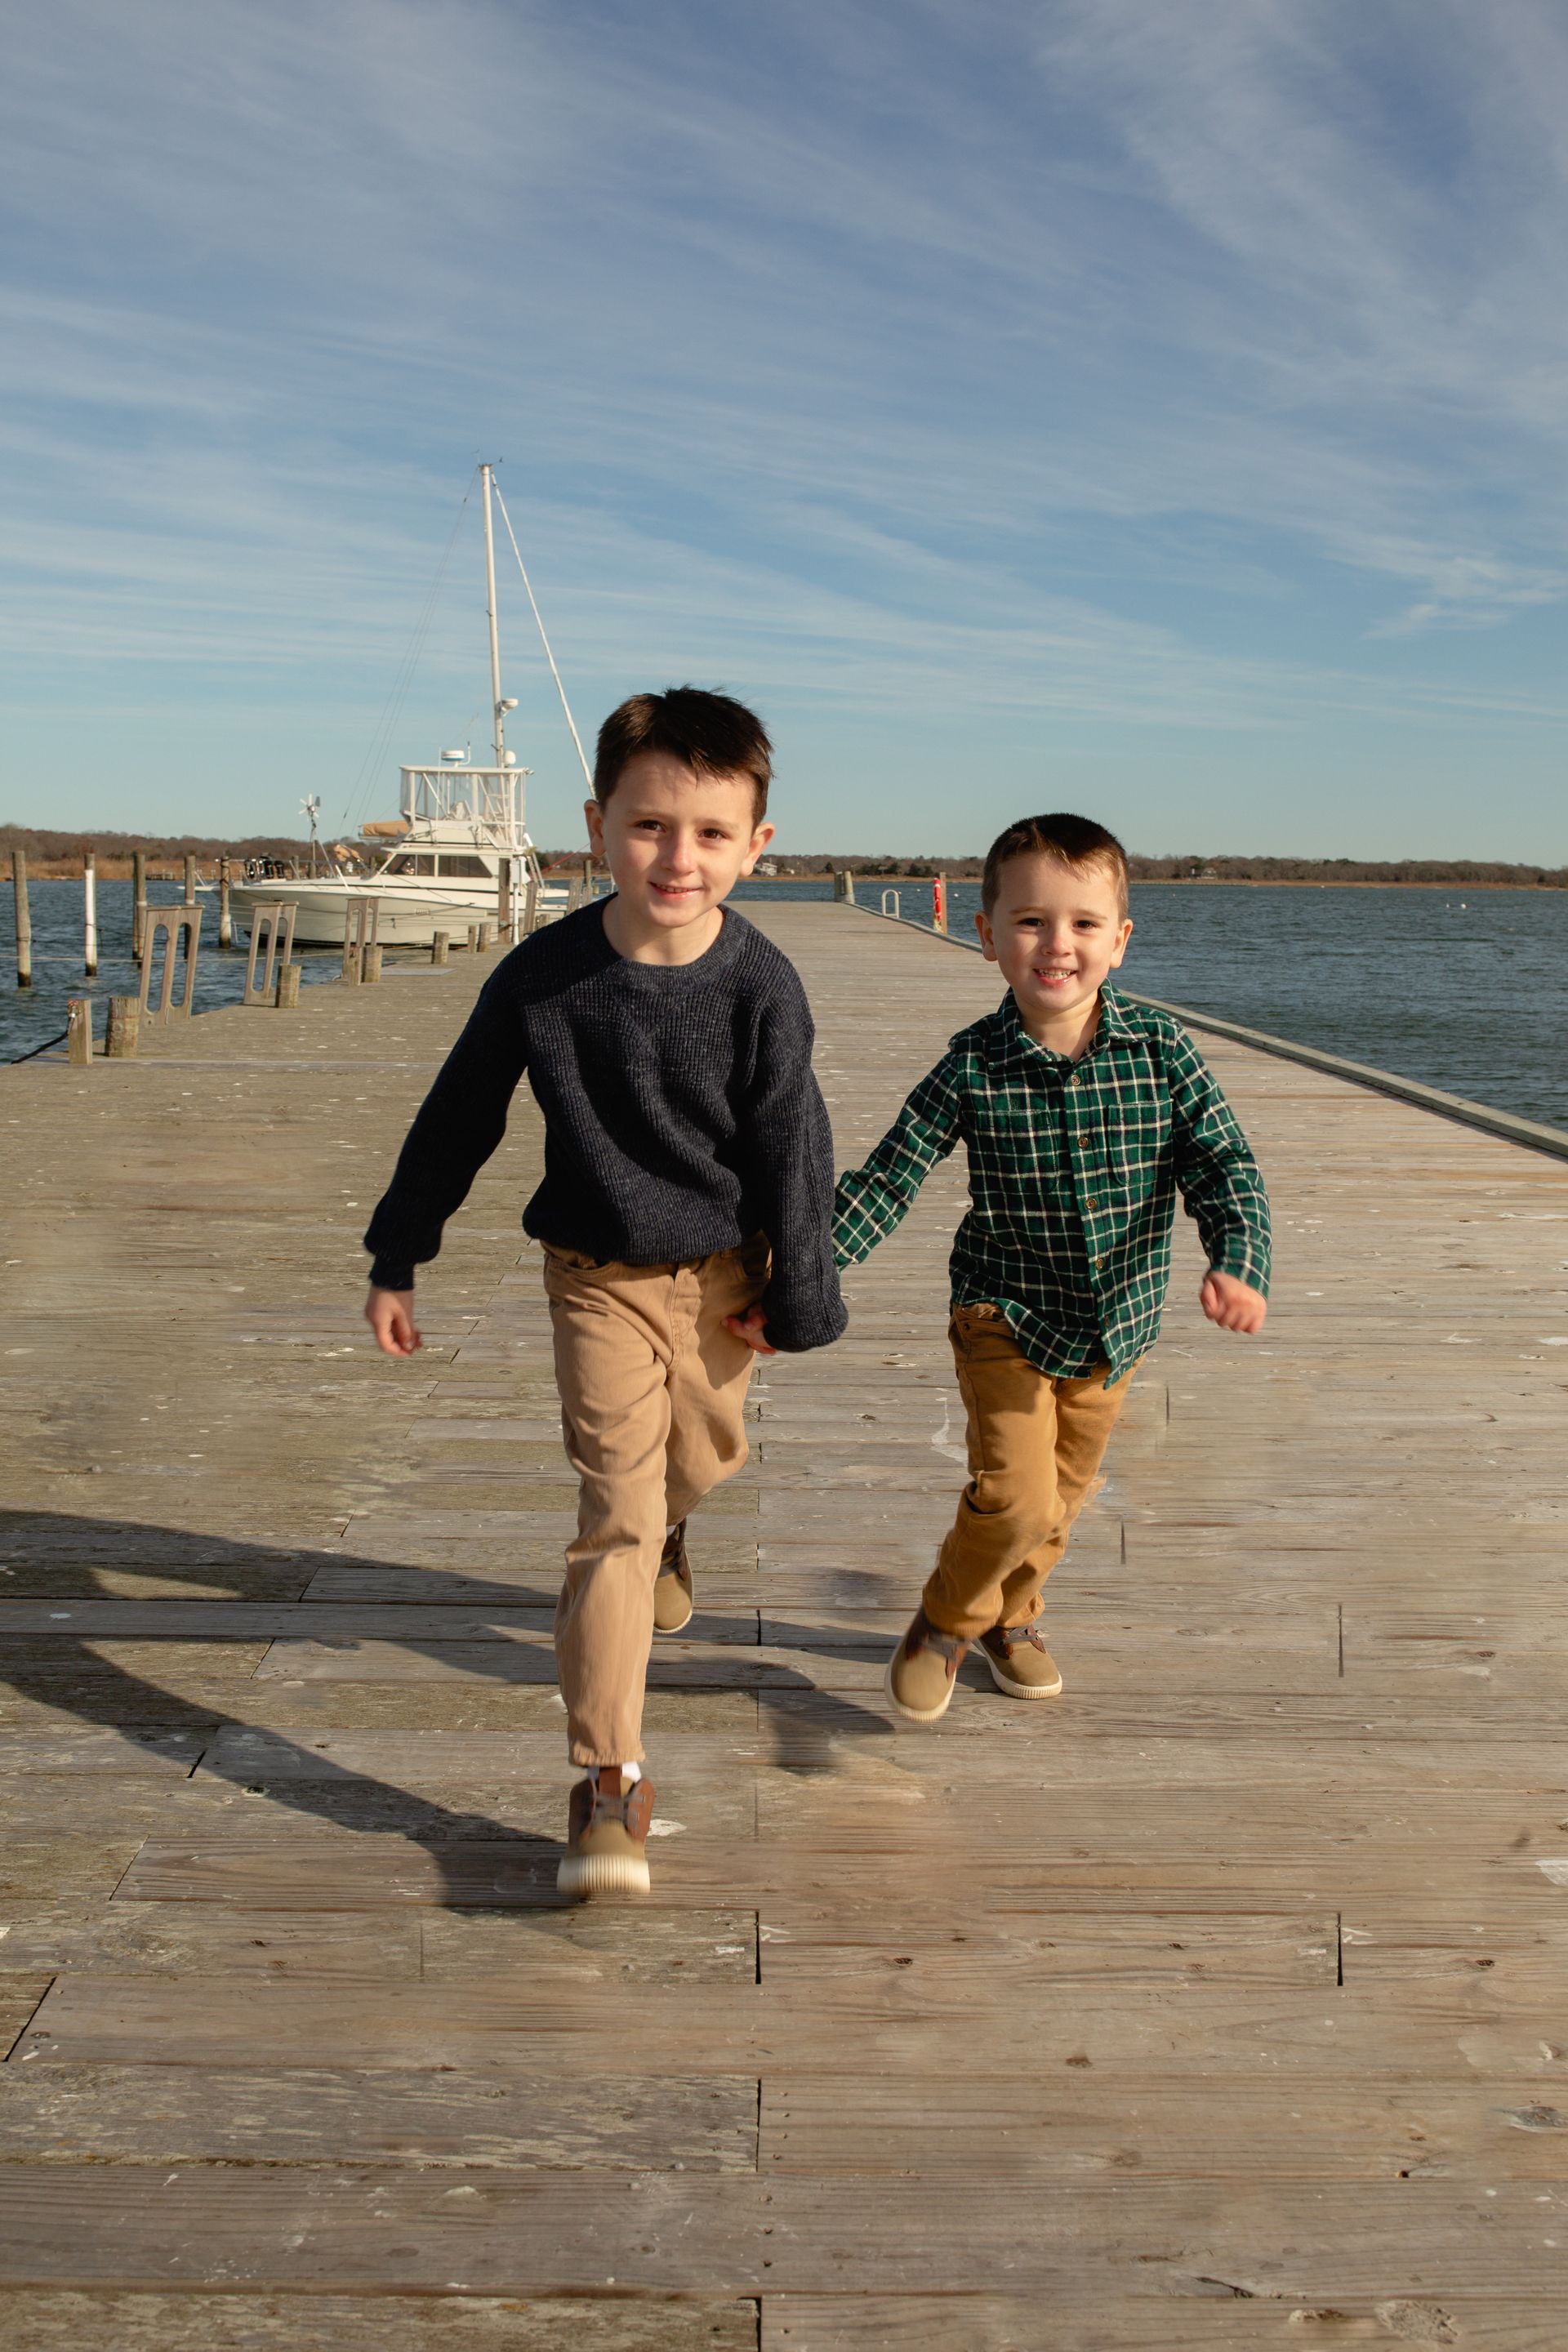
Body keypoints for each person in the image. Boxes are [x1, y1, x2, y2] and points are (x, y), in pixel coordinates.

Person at [362, 688, 846, 1894]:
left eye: (711, 834)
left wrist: (801, 1292)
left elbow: (795, 1143)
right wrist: (399, 1250)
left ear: (756, 847)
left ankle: (678, 1523)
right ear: (597, 827)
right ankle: (608, 1781)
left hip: (727, 1268)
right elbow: (459, 1116)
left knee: (705, 1459)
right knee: (614, 1514)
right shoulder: (544, 979)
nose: (677, 858)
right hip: (596, 1278)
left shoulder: (762, 986)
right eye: (648, 827)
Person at [831, 812, 1271, 1723]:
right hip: (1004, 1316)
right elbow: (888, 1177)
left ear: (1120, 939)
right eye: (1030, 921)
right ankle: (945, 1623)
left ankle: (1015, 1618)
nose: (1056, 944)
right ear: (987, 934)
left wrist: (1239, 1260)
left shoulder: (1164, 1051)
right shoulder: (970, 1066)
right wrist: (805, 1271)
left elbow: (1223, 1165)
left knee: (1062, 1501)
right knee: (1016, 1494)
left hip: (1118, 1325)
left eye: (1081, 923)